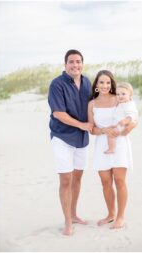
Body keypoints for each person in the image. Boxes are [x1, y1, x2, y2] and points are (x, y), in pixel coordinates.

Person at [48, 49, 93, 236]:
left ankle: (74, 214)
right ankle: (67, 221)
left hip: (82, 139)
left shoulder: (87, 82)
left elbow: (95, 104)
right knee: (66, 180)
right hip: (62, 136)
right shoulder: (57, 84)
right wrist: (82, 125)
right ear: (65, 64)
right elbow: (58, 113)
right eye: (71, 62)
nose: (75, 65)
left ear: (82, 63)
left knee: (77, 179)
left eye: (78, 61)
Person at [87, 70, 137, 229]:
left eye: (108, 82)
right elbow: (91, 129)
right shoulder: (92, 104)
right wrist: (104, 131)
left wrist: (125, 130)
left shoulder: (119, 98)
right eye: (101, 82)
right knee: (105, 182)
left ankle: (120, 217)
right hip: (102, 144)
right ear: (96, 84)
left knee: (119, 180)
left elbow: (133, 117)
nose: (105, 86)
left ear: (112, 83)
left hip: (120, 142)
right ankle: (111, 214)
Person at [104, 82, 138, 154]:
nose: (120, 96)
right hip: (118, 124)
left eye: (123, 94)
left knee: (111, 134)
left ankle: (112, 148)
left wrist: (125, 121)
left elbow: (131, 115)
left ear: (130, 95)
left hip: (122, 125)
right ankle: (111, 148)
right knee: (110, 134)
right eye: (118, 94)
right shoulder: (122, 103)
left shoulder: (129, 105)